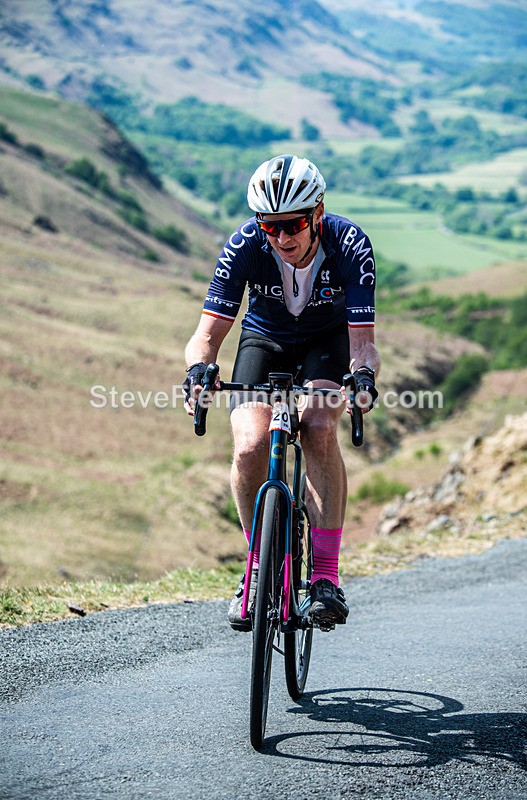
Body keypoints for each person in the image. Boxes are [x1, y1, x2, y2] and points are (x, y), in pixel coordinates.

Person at [183, 154, 380, 632]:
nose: (282, 237)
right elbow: (205, 336)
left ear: (317, 213)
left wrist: (363, 379)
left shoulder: (350, 244)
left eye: (292, 224)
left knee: (316, 426)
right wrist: (197, 371)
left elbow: (363, 345)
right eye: (270, 226)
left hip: (326, 342)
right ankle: (255, 570)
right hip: (264, 337)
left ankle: (326, 578)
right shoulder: (245, 245)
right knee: (250, 445)